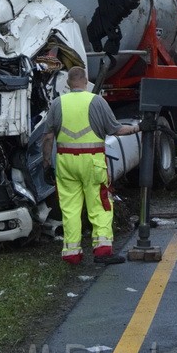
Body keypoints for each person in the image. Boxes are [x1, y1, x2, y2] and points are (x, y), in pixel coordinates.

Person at [42, 66, 139, 265]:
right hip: (92, 162)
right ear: (85, 82)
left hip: (66, 162)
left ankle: (71, 253)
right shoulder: (97, 101)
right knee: (100, 204)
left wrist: (46, 164)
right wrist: (138, 128)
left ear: (68, 83)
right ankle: (102, 251)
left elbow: (48, 137)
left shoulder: (57, 103)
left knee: (69, 208)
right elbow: (116, 130)